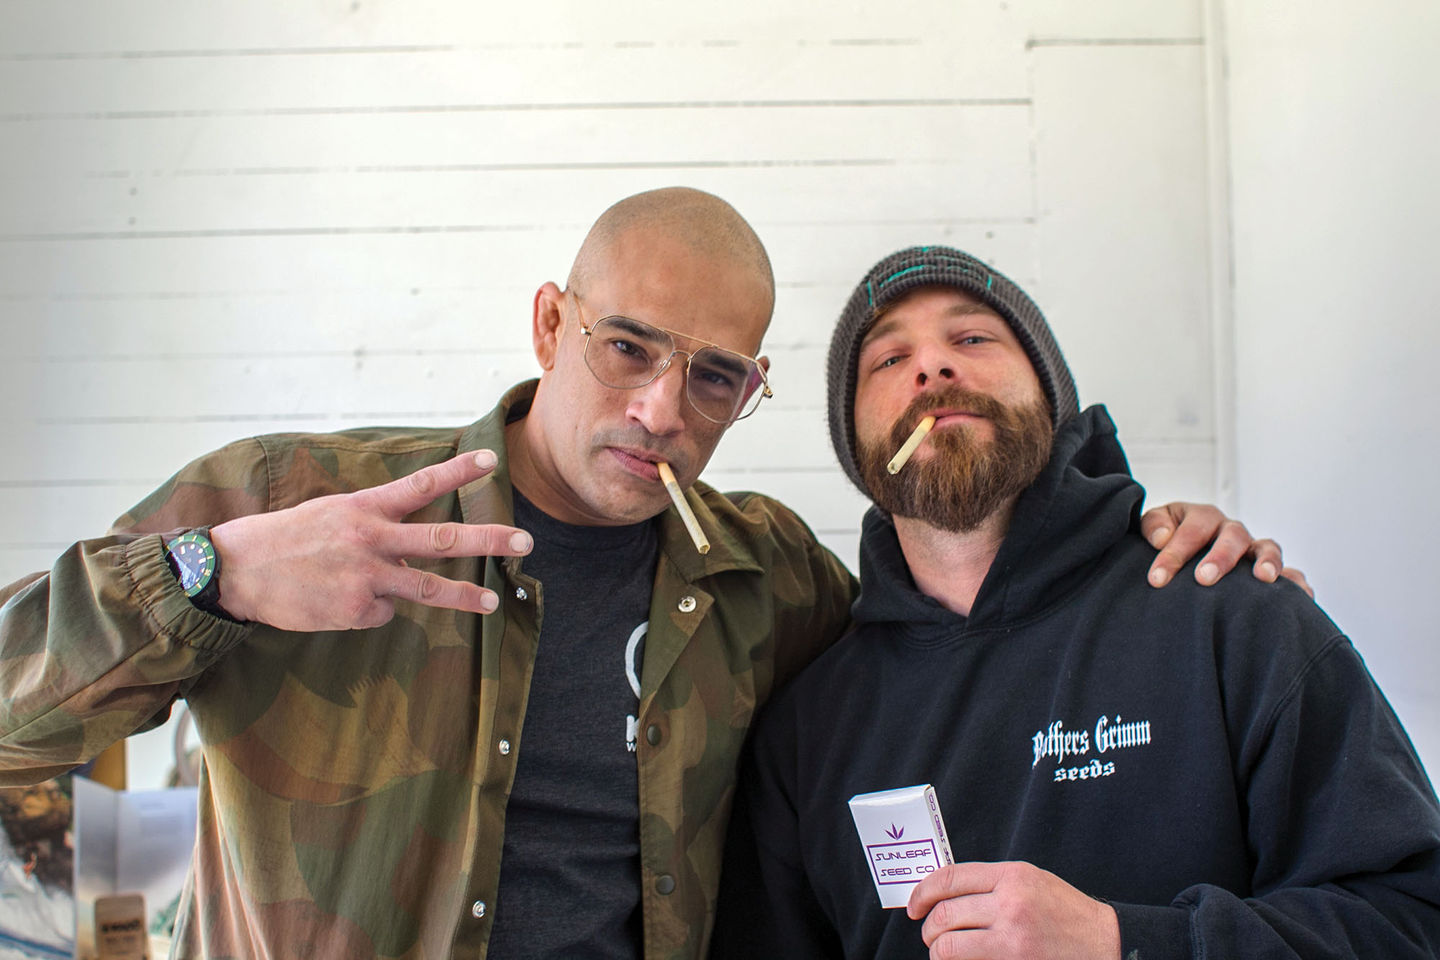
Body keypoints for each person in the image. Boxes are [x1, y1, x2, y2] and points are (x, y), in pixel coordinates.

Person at [0, 193, 1295, 960]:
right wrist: (211, 572)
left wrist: (1124, 535)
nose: (662, 409)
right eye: (627, 346)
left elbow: (958, 621)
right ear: (551, 323)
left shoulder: (765, 578)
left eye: (715, 376)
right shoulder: (299, 498)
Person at [711, 245, 1440, 959]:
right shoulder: (808, 727)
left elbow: (1411, 920)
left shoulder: (1236, 620)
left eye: (972, 338)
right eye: (890, 360)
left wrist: (1122, 942)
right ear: (855, 444)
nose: (932, 365)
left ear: (1050, 395)